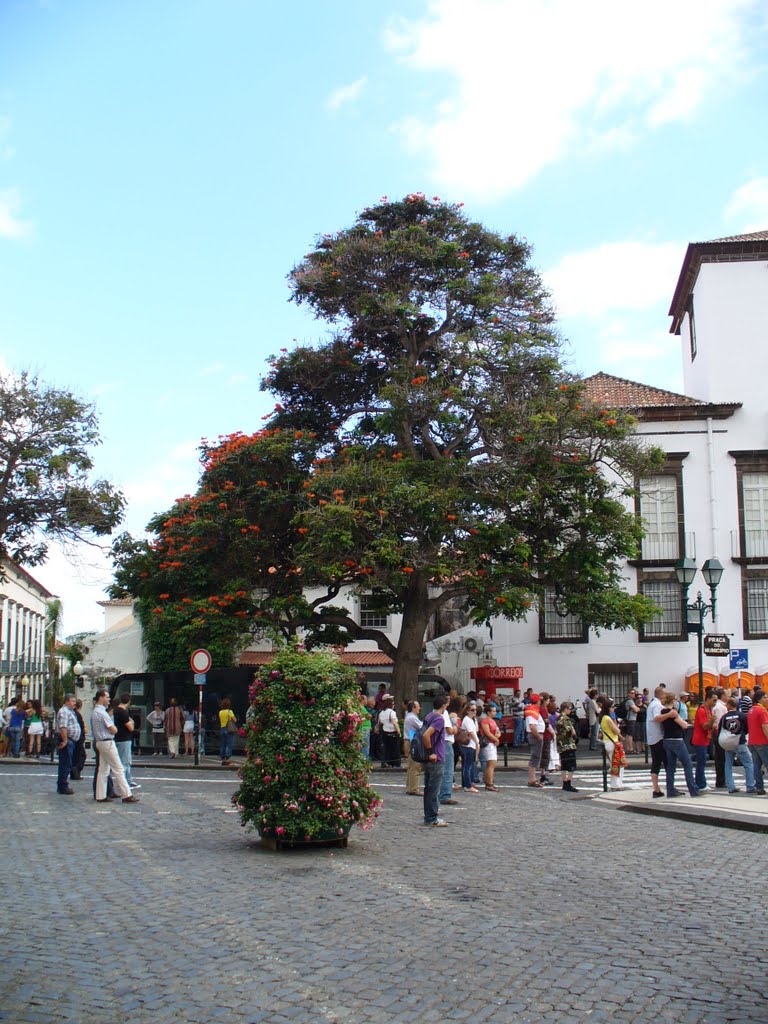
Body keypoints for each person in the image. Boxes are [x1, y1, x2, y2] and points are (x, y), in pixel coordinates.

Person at [91, 689, 139, 803]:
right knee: (118, 768)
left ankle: (100, 795)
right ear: (101, 698)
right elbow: (113, 729)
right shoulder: (102, 713)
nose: (109, 699)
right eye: (107, 697)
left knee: (103, 770)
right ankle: (126, 794)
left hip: (99, 742)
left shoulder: (95, 712)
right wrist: (114, 729)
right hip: (107, 742)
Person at [660, 693, 699, 798]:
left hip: (667, 739)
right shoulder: (673, 712)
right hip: (677, 740)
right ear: (673, 701)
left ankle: (670, 789)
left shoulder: (663, 712)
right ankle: (693, 789)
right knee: (687, 764)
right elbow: (684, 725)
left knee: (671, 766)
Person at [718, 696, 756, 794]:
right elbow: (747, 728)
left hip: (728, 742)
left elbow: (720, 730)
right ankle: (750, 786)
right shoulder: (742, 715)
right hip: (740, 741)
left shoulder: (724, 717)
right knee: (748, 763)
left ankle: (731, 786)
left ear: (729, 705)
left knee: (728, 764)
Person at [421, 694, 448, 827]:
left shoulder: (428, 716)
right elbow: (426, 735)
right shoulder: (439, 719)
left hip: (428, 758)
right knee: (434, 790)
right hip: (436, 757)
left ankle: (428, 816)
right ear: (443, 706)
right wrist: (431, 752)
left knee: (428, 789)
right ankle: (432, 818)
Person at [55, 693, 80, 795]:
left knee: (67, 763)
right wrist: (65, 740)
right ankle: (62, 786)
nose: (75, 703)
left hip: (71, 740)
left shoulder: (71, 711)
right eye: (73, 701)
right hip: (67, 740)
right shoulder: (64, 711)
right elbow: (63, 727)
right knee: (65, 763)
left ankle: (62, 784)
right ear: (66, 701)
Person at [646, 685, 669, 798]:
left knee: (656, 763)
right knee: (667, 762)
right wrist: (669, 714)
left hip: (652, 737)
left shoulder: (652, 704)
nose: (666, 696)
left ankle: (656, 788)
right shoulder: (657, 705)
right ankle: (669, 787)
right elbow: (657, 718)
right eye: (664, 694)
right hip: (658, 737)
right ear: (661, 694)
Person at [599, 697, 625, 790]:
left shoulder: (603, 717)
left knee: (616, 764)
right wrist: (615, 721)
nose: (613, 708)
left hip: (609, 741)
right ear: (608, 708)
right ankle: (616, 785)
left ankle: (617, 784)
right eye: (612, 707)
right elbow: (616, 731)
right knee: (616, 764)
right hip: (612, 742)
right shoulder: (607, 718)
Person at [691, 692, 716, 791]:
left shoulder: (708, 710)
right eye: (714, 700)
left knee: (702, 762)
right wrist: (712, 722)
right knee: (701, 762)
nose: (715, 702)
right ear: (708, 699)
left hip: (704, 739)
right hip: (700, 739)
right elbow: (704, 726)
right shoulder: (702, 711)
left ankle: (701, 782)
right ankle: (700, 784)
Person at [439, 697, 461, 805]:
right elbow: (450, 730)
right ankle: (445, 795)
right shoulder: (445, 713)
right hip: (446, 742)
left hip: (439, 742)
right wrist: (456, 725)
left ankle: (440, 793)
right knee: (448, 769)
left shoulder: (433, 713)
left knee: (440, 769)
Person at [114, 692, 137, 789]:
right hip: (124, 739)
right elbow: (130, 727)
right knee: (125, 762)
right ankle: (125, 782)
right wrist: (131, 722)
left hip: (118, 738)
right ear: (129, 701)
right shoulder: (123, 712)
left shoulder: (115, 711)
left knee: (123, 761)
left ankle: (128, 780)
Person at [747, 689, 768, 795]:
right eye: (764, 697)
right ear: (759, 699)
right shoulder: (762, 710)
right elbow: (765, 726)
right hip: (762, 741)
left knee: (756, 765)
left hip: (752, 741)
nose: (767, 699)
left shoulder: (751, 710)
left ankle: (759, 787)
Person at [556, 701, 579, 792]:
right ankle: (568, 783)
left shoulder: (558, 718)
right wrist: (575, 735)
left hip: (561, 745)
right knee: (571, 765)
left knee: (564, 764)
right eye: (570, 709)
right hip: (568, 744)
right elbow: (571, 732)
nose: (571, 711)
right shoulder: (565, 719)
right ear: (565, 709)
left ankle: (564, 783)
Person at [525, 694, 546, 788]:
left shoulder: (532, 710)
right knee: (535, 757)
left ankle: (533, 779)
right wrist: (538, 736)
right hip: (535, 736)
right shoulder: (532, 711)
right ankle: (532, 779)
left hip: (535, 735)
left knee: (536, 757)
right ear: (538, 701)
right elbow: (532, 726)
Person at [479, 702, 500, 791]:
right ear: (488, 712)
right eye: (493, 711)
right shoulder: (485, 721)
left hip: (492, 743)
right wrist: (496, 739)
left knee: (490, 764)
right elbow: (487, 733)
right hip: (488, 743)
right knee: (491, 764)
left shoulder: (492, 721)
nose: (495, 713)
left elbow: (497, 732)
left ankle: (489, 782)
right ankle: (489, 783)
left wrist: (497, 736)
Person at [403, 700, 423, 796]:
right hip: (412, 742)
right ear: (413, 708)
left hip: (409, 741)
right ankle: (414, 788)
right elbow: (422, 727)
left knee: (411, 766)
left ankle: (410, 786)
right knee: (415, 765)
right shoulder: (412, 717)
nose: (419, 708)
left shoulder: (410, 716)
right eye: (418, 706)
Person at [459, 702, 480, 793]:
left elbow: (475, 730)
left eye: (475, 710)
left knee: (468, 765)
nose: (474, 712)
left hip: (471, 745)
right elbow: (471, 732)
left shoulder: (473, 720)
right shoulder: (467, 720)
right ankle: (467, 785)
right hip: (468, 745)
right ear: (467, 711)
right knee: (467, 766)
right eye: (472, 710)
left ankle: (466, 783)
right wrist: (477, 742)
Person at [377, 695, 401, 769]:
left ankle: (386, 762)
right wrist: (399, 731)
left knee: (386, 749)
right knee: (395, 749)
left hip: (385, 732)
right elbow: (394, 723)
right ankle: (395, 763)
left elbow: (379, 722)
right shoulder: (392, 712)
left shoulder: (381, 712)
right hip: (392, 732)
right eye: (393, 704)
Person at [712, 688, 729, 788]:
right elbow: (719, 722)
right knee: (721, 757)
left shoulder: (720, 706)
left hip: (719, 733)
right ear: (722, 695)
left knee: (721, 757)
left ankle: (722, 779)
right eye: (726, 694)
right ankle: (721, 780)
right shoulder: (720, 707)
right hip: (719, 733)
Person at [70, 698, 87, 780]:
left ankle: (74, 771)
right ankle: (76, 771)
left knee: (76, 756)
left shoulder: (73, 713)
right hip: (78, 738)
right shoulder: (77, 714)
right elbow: (81, 727)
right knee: (81, 756)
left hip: (75, 738)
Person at [218, 697, 237, 766]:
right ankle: (227, 757)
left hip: (222, 728)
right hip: (228, 729)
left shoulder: (220, 712)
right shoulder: (229, 712)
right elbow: (235, 720)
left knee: (223, 743)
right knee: (229, 744)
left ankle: (222, 756)